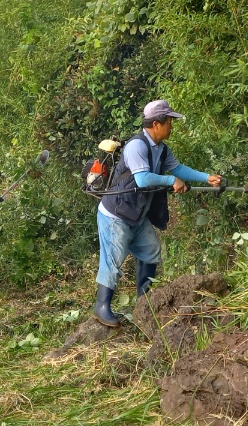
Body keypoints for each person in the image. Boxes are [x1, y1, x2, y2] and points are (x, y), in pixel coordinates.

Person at [94, 99, 223, 327]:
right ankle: (102, 307)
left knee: (151, 251)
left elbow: (178, 169)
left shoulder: (162, 150)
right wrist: (171, 180)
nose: (171, 126)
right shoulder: (136, 146)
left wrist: (206, 177)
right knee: (113, 261)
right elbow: (143, 179)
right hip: (116, 214)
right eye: (169, 122)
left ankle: (144, 304)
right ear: (156, 124)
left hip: (136, 214)